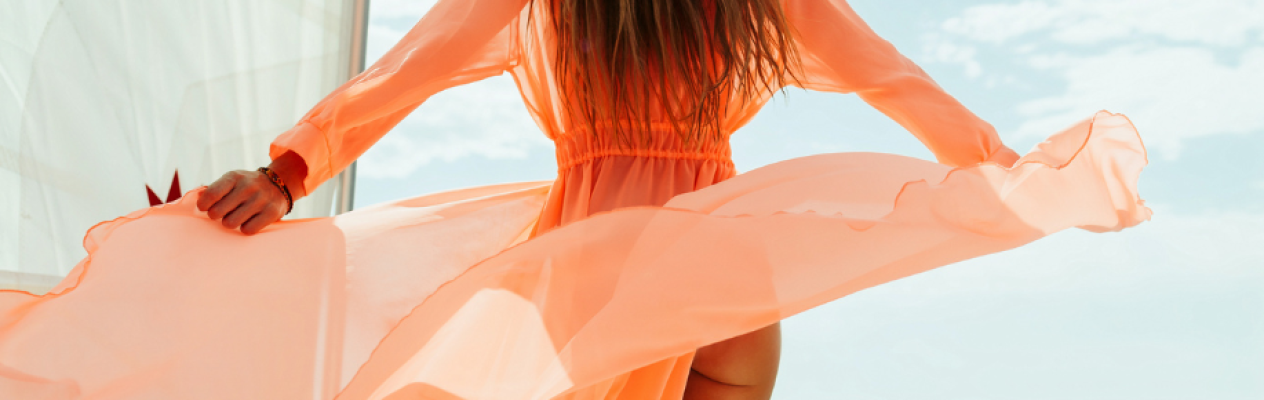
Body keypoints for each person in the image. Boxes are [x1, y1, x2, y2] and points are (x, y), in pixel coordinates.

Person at [0, 0, 1149, 399]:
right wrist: (1005, 169)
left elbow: (401, 78)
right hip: (722, 272)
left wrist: (288, 170)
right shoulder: (752, 7)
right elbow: (897, 79)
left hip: (593, 268)